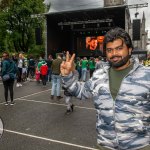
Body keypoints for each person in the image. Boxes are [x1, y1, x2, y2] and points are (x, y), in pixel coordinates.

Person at [60, 27, 150, 150]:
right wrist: (67, 76)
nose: (114, 54)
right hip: (105, 145)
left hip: (139, 146)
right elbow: (80, 92)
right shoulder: (98, 75)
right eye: (109, 50)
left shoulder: (147, 76)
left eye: (119, 48)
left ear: (129, 50)